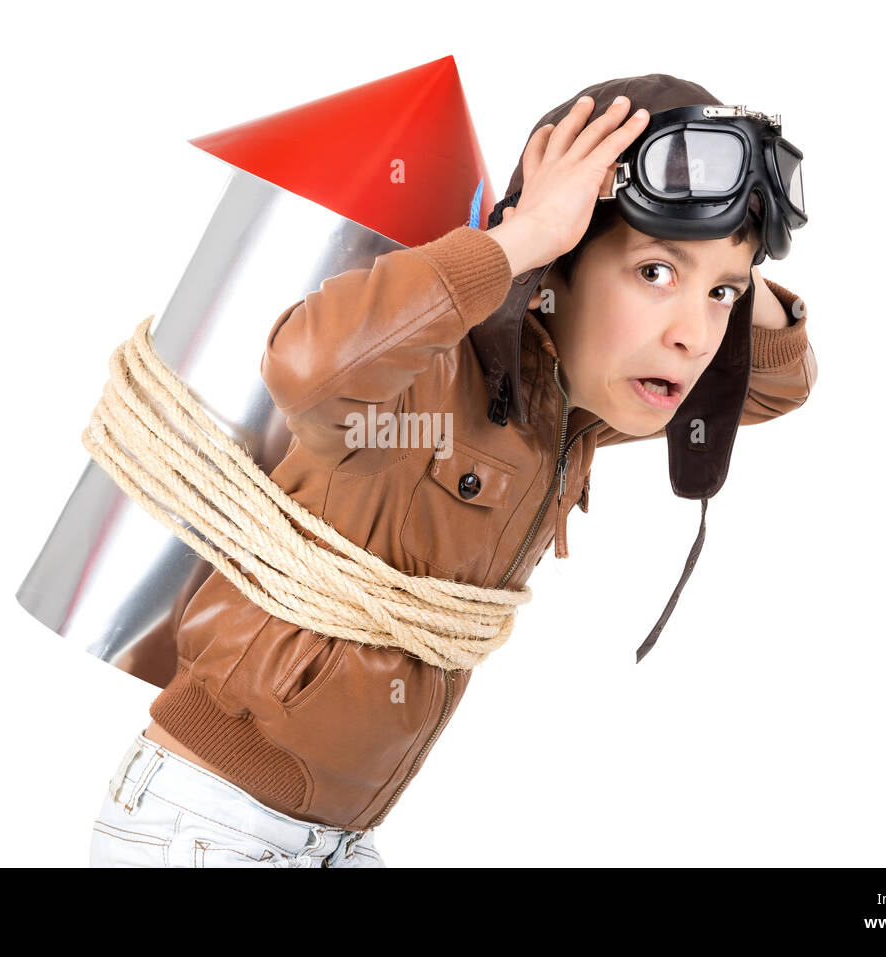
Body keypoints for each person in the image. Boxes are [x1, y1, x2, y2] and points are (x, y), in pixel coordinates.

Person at [89, 73, 815, 867]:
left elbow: (780, 380)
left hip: (335, 839)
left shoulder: (570, 418)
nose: (695, 335)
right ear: (554, 267)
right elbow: (308, 367)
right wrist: (522, 236)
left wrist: (735, 248)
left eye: (721, 294)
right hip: (209, 820)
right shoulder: (425, 373)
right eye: (653, 273)